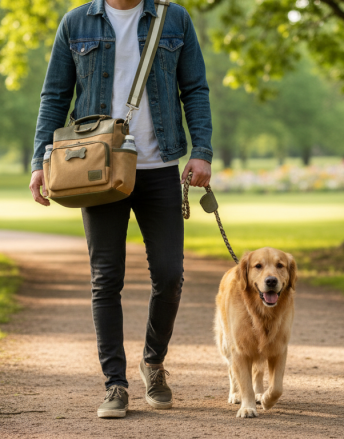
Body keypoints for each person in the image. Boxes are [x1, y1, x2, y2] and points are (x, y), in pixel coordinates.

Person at [28, 0, 213, 419]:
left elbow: (195, 89)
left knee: (170, 275)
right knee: (105, 279)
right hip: (97, 168)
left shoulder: (174, 18)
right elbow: (54, 97)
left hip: (159, 165)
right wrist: (41, 161)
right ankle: (115, 384)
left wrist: (200, 151)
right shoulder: (76, 23)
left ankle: (153, 362)